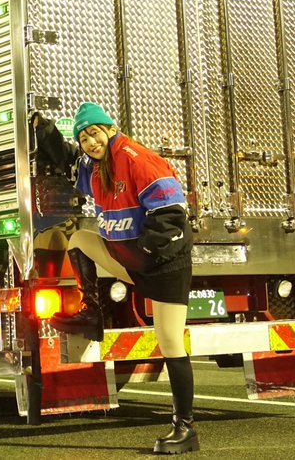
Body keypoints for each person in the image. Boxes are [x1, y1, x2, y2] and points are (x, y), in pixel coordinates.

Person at [32, 102, 198, 455]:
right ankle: (93, 311)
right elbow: (66, 160)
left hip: (163, 266)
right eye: (84, 137)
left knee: (170, 343)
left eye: (94, 133)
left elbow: (171, 213)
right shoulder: (95, 168)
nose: (90, 141)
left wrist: (149, 254)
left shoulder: (137, 158)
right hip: (132, 263)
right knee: (78, 239)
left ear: (109, 129)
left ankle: (185, 428)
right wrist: (41, 127)